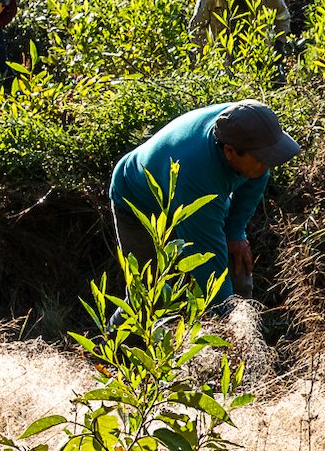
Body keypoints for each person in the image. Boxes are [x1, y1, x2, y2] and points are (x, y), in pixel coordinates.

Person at [108, 100, 302, 304]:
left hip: (185, 191)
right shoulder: (197, 178)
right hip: (139, 203)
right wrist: (227, 318)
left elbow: (257, 177)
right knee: (148, 299)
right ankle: (113, 335)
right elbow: (209, 264)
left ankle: (246, 322)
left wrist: (235, 231)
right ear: (229, 151)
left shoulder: (248, 128)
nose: (267, 164)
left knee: (237, 271)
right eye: (262, 159)